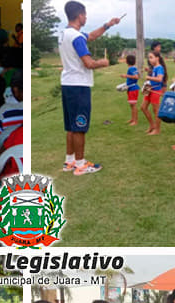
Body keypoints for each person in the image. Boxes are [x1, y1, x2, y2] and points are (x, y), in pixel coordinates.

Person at [57, 1, 120, 175]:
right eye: (85, 14)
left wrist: (108, 25)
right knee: (79, 125)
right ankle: (80, 164)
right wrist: (103, 63)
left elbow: (90, 36)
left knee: (70, 126)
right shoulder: (76, 38)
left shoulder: (64, 34)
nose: (86, 17)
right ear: (79, 16)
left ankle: (69, 161)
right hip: (79, 86)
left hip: (68, 84)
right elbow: (89, 63)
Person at [140, 51, 166, 136]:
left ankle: (157, 130)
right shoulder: (155, 67)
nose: (149, 59)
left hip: (155, 90)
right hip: (149, 88)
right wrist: (149, 71)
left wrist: (148, 77)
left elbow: (159, 79)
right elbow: (154, 76)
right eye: (149, 57)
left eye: (151, 57)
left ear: (157, 58)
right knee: (143, 107)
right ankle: (152, 125)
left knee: (156, 111)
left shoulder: (160, 68)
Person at [121, 54, 140, 126]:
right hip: (131, 88)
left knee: (133, 105)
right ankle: (132, 119)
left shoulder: (131, 69)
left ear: (126, 61)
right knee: (131, 105)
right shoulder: (134, 68)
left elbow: (136, 77)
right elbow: (138, 75)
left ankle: (135, 121)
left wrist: (126, 76)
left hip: (133, 88)